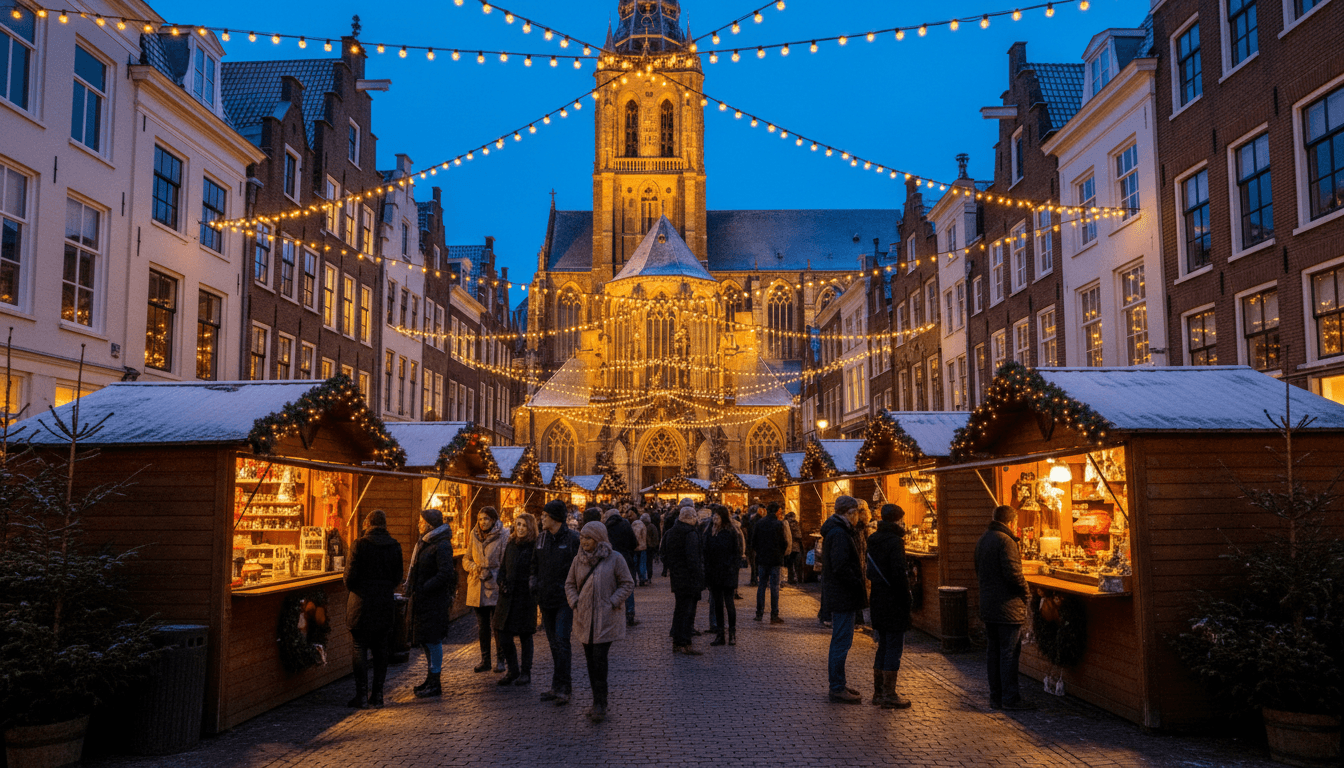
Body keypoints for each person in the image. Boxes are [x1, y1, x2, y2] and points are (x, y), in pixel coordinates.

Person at [565, 521, 635, 723]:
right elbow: (569, 583)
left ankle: (600, 703)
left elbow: (627, 583)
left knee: (599, 660)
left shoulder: (615, 559)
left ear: (598, 538)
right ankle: (596, 700)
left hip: (606, 619)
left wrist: (613, 601)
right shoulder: (578, 560)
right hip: (585, 618)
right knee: (589, 661)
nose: (583, 541)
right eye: (582, 537)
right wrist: (575, 601)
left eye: (588, 538)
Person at [975, 504, 1034, 711]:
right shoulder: (1006, 541)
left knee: (993, 652)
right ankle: (1010, 698)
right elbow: (1014, 574)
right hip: (1007, 607)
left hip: (989, 605)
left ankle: (996, 697)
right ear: (1012, 522)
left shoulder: (984, 539)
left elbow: (978, 569)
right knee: (1008, 652)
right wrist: (1026, 592)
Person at [344, 509, 403, 709]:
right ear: (385, 524)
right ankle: (377, 695)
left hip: (361, 603)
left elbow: (349, 578)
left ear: (367, 523)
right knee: (381, 649)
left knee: (359, 646)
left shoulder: (359, 545)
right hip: (384, 603)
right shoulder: (395, 546)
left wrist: (360, 588)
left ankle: (361, 696)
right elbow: (397, 577)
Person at [821, 495, 868, 703]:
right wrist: (856, 583)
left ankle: (839, 683)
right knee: (841, 641)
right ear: (850, 513)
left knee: (841, 641)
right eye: (857, 513)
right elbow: (841, 567)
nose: (859, 517)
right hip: (843, 595)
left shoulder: (838, 531)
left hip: (840, 594)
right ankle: (837, 686)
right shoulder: (840, 534)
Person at [534, 500, 581, 705]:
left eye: (545, 515)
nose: (542, 519)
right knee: (553, 643)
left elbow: (579, 567)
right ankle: (556, 685)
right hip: (545, 598)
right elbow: (534, 566)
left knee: (562, 642)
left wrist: (570, 590)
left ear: (555, 518)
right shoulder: (541, 539)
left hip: (563, 599)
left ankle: (565, 688)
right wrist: (534, 584)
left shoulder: (572, 539)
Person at [407, 508, 456, 698]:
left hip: (433, 600)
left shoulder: (441, 544)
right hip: (424, 600)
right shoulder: (425, 542)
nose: (419, 524)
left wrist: (425, 587)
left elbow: (445, 573)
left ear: (429, 524)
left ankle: (435, 681)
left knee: (433, 640)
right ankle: (430, 678)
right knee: (426, 640)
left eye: (421, 522)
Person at [867, 504, 913, 709]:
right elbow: (898, 573)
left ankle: (878, 692)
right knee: (894, 645)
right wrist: (907, 597)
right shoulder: (895, 542)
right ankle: (889, 693)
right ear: (897, 520)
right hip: (893, 599)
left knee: (883, 645)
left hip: (877, 596)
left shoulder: (873, 539)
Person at [493, 512, 539, 687]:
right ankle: (513, 670)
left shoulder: (534, 546)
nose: (520, 528)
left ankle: (525, 672)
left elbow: (536, 571)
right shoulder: (511, 543)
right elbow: (503, 566)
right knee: (503, 634)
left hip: (524, 597)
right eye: (518, 524)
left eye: (524, 525)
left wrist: (531, 588)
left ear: (530, 528)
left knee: (525, 636)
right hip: (507, 596)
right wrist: (501, 581)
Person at [466, 506, 507, 674]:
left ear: (493, 520)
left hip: (494, 585)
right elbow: (467, 558)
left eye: (486, 519)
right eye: (481, 519)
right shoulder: (473, 535)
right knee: (482, 626)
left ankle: (501, 659)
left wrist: (494, 572)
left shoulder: (503, 535)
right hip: (477, 585)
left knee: (497, 625)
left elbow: (505, 561)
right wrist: (474, 567)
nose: (483, 522)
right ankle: (485, 660)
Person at [661, 504, 705, 655]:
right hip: (689, 578)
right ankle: (685, 642)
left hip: (677, 577)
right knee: (688, 611)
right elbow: (693, 559)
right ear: (691, 518)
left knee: (679, 609)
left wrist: (672, 568)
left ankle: (677, 641)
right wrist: (699, 577)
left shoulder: (671, 532)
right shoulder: (690, 534)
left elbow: (663, 553)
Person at [703, 504, 742, 647]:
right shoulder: (709, 531)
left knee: (729, 604)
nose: (714, 518)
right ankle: (720, 634)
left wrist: (732, 568)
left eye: (717, 516)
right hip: (714, 573)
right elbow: (705, 551)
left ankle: (732, 633)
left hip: (727, 573)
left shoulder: (730, 531)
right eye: (713, 516)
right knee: (718, 605)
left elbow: (736, 553)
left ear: (723, 517)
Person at [752, 502, 789, 623]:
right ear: (776, 511)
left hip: (762, 559)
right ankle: (774, 614)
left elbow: (753, 542)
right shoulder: (778, 524)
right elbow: (784, 542)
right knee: (774, 587)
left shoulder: (759, 523)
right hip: (775, 560)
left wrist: (760, 552)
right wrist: (780, 553)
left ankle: (759, 613)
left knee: (761, 586)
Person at [604, 507, 640, 626]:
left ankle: (614, 613)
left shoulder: (605, 526)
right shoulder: (625, 524)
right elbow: (634, 542)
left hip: (610, 559)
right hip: (626, 558)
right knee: (627, 585)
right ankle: (630, 613)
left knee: (613, 587)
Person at [785, 510, 804, 584]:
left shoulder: (784, 523)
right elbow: (798, 535)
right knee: (797, 564)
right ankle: (799, 578)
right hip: (795, 547)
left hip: (788, 547)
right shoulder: (794, 523)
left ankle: (790, 578)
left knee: (790, 564)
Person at [630, 509, 648, 586]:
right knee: (642, 563)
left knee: (635, 564)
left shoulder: (632, 526)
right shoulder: (643, 526)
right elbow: (645, 537)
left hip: (634, 548)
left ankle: (635, 579)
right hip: (643, 547)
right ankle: (643, 578)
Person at [642, 512, 660, 583]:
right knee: (649, 562)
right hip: (650, 546)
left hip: (643, 546)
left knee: (643, 562)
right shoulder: (652, 526)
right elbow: (656, 536)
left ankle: (643, 576)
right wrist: (655, 546)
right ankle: (649, 576)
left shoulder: (641, 526)